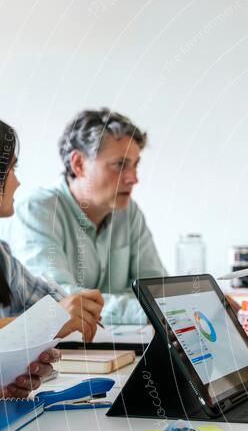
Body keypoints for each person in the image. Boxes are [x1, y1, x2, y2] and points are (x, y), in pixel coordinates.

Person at [10, 108, 166, 325]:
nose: (133, 178)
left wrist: (159, 305)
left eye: (135, 165)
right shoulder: (37, 210)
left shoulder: (129, 213)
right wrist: (149, 309)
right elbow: (60, 300)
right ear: (79, 164)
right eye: (120, 165)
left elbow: (158, 290)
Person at [1, 119, 99, 397]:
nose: (17, 182)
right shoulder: (40, 207)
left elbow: (58, 299)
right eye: (11, 169)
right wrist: (49, 320)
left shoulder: (2, 258)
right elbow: (58, 309)